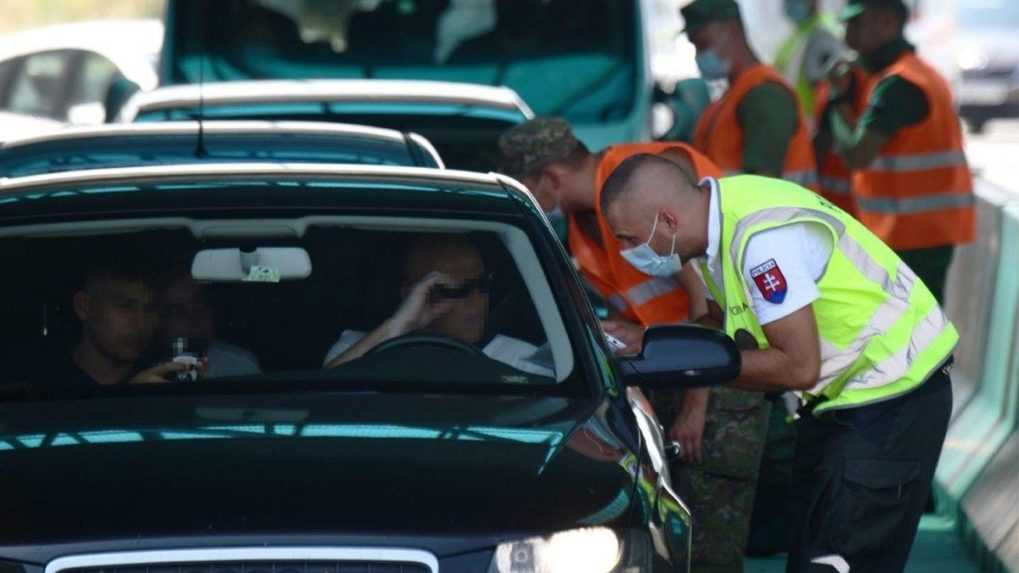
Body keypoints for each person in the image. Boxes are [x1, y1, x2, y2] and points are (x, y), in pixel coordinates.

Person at [602, 154, 956, 573]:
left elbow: (797, 367)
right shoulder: (718, 226)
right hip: (843, 399)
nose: (626, 252)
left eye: (629, 238)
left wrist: (689, 367)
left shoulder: (760, 242)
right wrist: (649, 340)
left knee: (837, 562)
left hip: (892, 394)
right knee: (811, 555)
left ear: (667, 221)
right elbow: (723, 322)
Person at [498, 117, 769, 573]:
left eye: (526, 185)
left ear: (549, 178)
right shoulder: (588, 223)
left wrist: (694, 406)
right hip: (673, 370)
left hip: (716, 375)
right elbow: (653, 306)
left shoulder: (636, 189)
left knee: (710, 549)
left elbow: (712, 303)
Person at [821, 0, 974, 304]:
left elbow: (856, 154)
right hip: (914, 232)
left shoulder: (900, 86)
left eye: (856, 25)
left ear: (888, 23)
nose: (847, 38)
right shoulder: (909, 75)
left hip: (913, 236)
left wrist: (838, 99)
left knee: (918, 335)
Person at [323, 234, 552, 377]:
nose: (476, 300)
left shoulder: (520, 360)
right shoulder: (356, 347)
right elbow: (321, 402)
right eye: (455, 290)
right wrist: (396, 326)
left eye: (482, 285)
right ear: (413, 295)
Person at [683, 0, 819, 190]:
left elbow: (765, 189)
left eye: (704, 44)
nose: (699, 55)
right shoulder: (731, 97)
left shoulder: (765, 94)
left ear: (732, 30)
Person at [16, 255, 190, 387]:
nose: (141, 322)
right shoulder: (41, 385)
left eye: (151, 309)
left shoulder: (164, 377)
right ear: (84, 307)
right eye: (126, 306)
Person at [158, 269, 261, 379]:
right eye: (178, 310)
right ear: (161, 320)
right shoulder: (147, 371)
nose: (193, 317)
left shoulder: (240, 366)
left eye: (198, 305)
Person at [774, 0, 845, 132]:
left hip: (813, 127)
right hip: (794, 124)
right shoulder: (796, 35)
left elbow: (828, 89)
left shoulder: (823, 33)